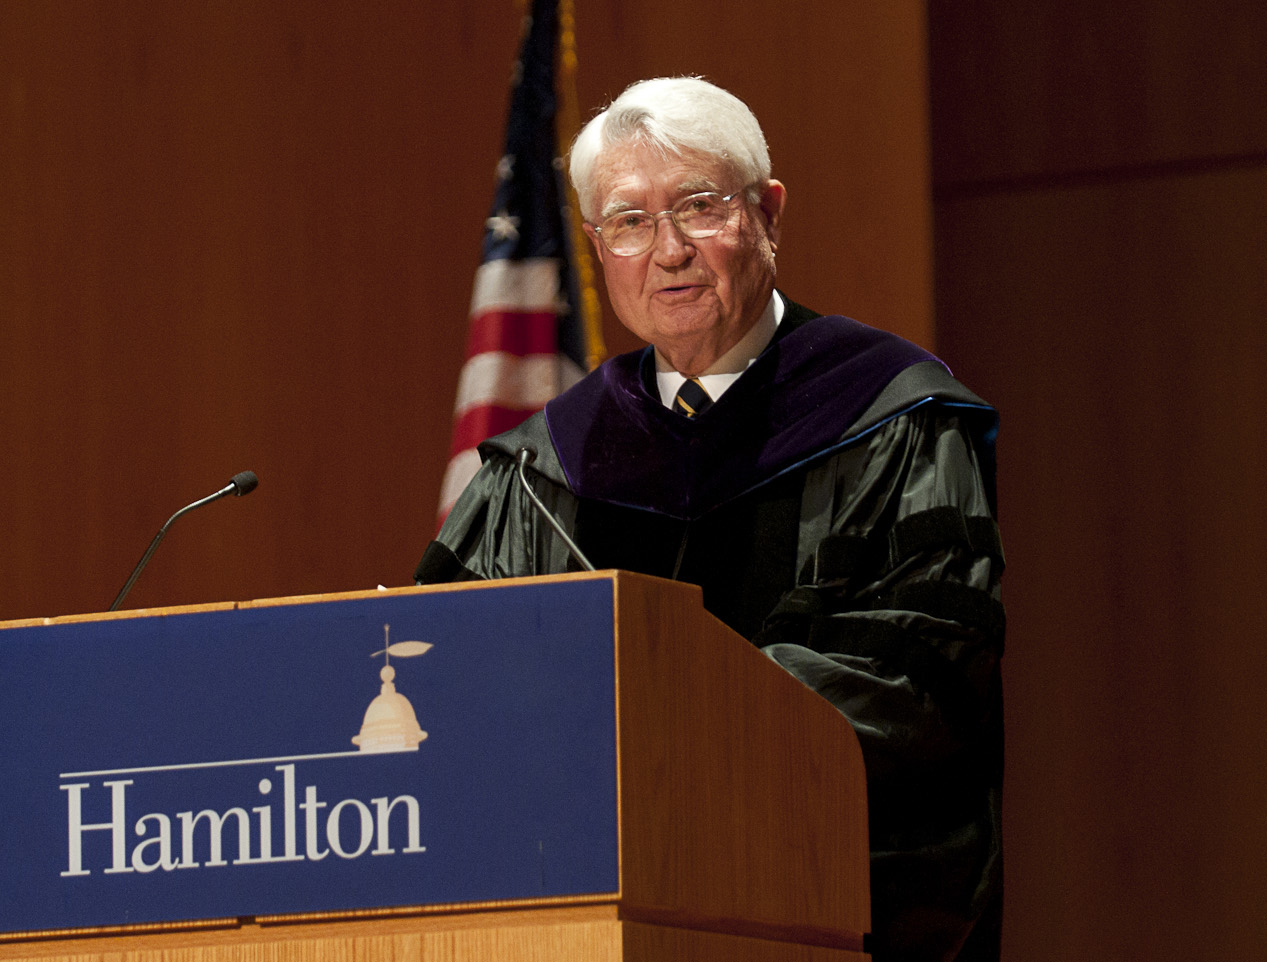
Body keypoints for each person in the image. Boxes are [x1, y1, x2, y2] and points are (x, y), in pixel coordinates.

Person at [416, 77, 1003, 962]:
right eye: (628, 221)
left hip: (827, 905)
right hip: (580, 917)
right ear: (596, 247)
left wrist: (670, 741)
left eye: (698, 206)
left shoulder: (891, 418)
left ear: (767, 214)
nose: (668, 251)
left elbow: (920, 675)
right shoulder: (544, 464)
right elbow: (451, 675)